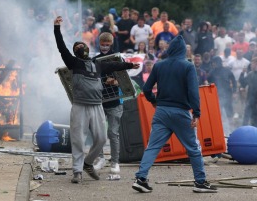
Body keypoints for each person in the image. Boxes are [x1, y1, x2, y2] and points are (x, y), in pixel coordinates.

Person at [53, 16, 140, 184]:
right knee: (78, 139)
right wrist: (57, 28)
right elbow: (61, 47)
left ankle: (87, 163)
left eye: (82, 45)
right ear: (75, 52)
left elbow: (115, 66)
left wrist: (130, 65)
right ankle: (77, 171)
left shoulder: (96, 64)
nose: (80, 47)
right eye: (77, 47)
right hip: (80, 106)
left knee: (100, 139)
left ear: (86, 48)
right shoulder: (73, 63)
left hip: (96, 106)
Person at [132, 35, 218, 193]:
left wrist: (153, 101)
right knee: (193, 148)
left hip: (161, 112)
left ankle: (141, 179)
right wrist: (197, 113)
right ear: (183, 50)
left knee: (152, 147)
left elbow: (145, 89)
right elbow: (193, 92)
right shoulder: (188, 66)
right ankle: (200, 183)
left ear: (170, 49)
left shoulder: (159, 65)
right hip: (180, 113)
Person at [92, 32, 125, 174]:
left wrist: (112, 81)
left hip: (115, 102)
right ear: (99, 44)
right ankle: (100, 159)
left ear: (111, 44)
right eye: (102, 44)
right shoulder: (94, 60)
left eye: (107, 44)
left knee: (113, 132)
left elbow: (125, 82)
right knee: (98, 133)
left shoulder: (118, 59)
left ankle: (115, 162)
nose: (104, 47)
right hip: (99, 102)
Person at [239, 57, 257, 126]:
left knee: (255, 120)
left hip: (255, 102)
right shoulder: (250, 74)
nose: (251, 65)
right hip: (250, 101)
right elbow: (243, 83)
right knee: (246, 119)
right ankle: (244, 132)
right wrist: (242, 73)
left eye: (252, 63)